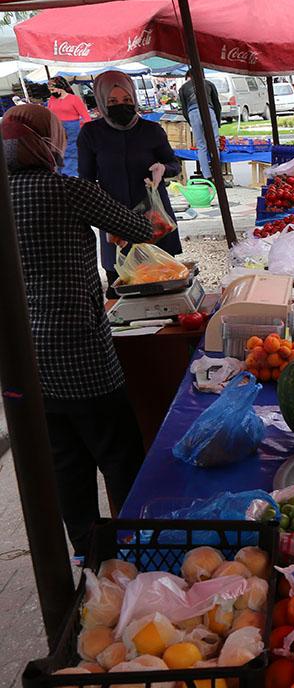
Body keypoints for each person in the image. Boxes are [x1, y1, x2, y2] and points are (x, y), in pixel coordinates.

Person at [3, 105, 157, 558]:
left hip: (23, 356)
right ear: (48, 143)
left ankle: (90, 551)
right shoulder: (66, 189)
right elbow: (136, 227)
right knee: (119, 452)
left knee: (65, 460)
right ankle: (136, 544)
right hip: (79, 349)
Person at [79, 70, 185, 288]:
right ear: (100, 100)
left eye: (127, 99)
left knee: (163, 281)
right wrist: (101, 215)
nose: (121, 105)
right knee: (123, 285)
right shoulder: (91, 133)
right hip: (114, 222)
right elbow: (86, 181)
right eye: (113, 101)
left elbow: (174, 165)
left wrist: (162, 168)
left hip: (154, 219)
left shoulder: (152, 130)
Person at [178, 69, 221, 179]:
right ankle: (217, 173)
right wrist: (218, 121)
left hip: (193, 113)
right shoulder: (209, 84)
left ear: (189, 76)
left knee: (201, 146)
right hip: (209, 111)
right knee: (215, 143)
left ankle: (207, 176)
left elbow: (184, 109)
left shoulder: (183, 88)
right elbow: (217, 105)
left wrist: (191, 122)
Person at [45, 76, 90, 177]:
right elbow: (49, 115)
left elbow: (86, 117)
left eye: (53, 89)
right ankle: (60, 176)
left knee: (71, 154)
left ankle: (71, 178)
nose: (51, 92)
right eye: (50, 90)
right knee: (57, 154)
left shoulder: (74, 99)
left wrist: (83, 128)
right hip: (56, 130)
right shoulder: (52, 100)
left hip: (72, 131)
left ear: (60, 87)